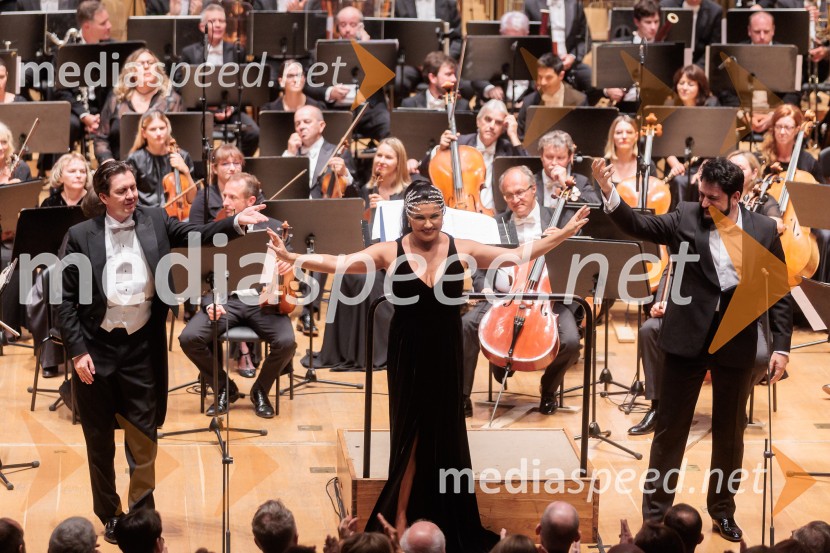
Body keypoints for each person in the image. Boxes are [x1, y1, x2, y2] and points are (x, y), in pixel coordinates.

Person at [267, 181, 590, 553]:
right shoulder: (388, 251)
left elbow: (518, 254)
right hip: (408, 352)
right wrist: (294, 259)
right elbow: (341, 264)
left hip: (446, 350)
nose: (427, 224)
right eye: (419, 217)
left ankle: (447, 516)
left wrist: (564, 234)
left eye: (434, 217)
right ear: (407, 216)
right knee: (411, 435)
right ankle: (401, 516)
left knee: (445, 431)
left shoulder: (461, 248)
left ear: (443, 215)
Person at [57, 160, 267, 543]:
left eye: (133, 187)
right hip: (96, 350)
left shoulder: (154, 219)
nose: (131, 195)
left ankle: (142, 518)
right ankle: (110, 514)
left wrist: (235, 223)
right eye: (121, 191)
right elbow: (64, 301)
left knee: (144, 437)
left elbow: (199, 233)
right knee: (99, 441)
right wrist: (77, 351)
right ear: (103, 197)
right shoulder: (79, 235)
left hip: (140, 347)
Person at [592, 156, 792, 540]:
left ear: (736, 196)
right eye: (701, 194)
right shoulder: (685, 215)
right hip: (687, 339)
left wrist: (781, 346)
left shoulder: (765, 230)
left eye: (712, 198)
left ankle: (722, 510)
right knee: (670, 432)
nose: (703, 202)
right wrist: (608, 192)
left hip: (736, 339)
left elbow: (778, 290)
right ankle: (655, 515)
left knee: (730, 434)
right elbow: (640, 224)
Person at [461, 166, 584, 417]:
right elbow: (476, 262)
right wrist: (483, 286)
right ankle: (462, 395)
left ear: (534, 189)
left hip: (547, 299)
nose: (515, 200)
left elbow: (579, 256)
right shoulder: (495, 224)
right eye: (508, 195)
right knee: (466, 326)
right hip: (501, 298)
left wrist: (562, 241)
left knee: (571, 342)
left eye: (520, 192)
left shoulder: (557, 218)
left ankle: (548, 389)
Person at [179, 172, 296, 418]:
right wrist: (209, 303)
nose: (225, 202)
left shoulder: (274, 227)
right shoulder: (215, 228)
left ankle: (261, 391)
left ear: (250, 201)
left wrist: (288, 266)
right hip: (225, 300)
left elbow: (292, 268)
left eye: (232, 197)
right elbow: (204, 275)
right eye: (224, 195)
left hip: (263, 301)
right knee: (189, 338)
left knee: (286, 343)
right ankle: (223, 388)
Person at [317, 137, 410, 370]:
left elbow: (410, 230)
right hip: (369, 254)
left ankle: (368, 354)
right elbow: (352, 202)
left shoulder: (407, 193)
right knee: (344, 272)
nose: (381, 161)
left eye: (388, 157)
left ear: (399, 163)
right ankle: (343, 350)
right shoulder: (368, 190)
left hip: (397, 261)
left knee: (364, 277)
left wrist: (388, 210)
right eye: (379, 155)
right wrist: (344, 173)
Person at [282, 104, 358, 336]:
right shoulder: (290, 152)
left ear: (321, 125)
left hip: (323, 218)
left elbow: (353, 190)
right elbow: (281, 187)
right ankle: (281, 304)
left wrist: (343, 172)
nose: (301, 127)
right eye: (297, 123)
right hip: (293, 216)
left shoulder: (337, 152)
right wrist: (287, 155)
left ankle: (308, 309)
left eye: (306, 122)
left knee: (318, 246)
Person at [179, 3, 260, 157]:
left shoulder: (237, 51)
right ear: (202, 27)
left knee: (253, 133)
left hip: (231, 110)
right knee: (190, 136)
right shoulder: (189, 53)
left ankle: (234, 165)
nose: (218, 25)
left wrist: (232, 108)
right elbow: (180, 85)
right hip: (200, 111)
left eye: (221, 21)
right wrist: (209, 110)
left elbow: (246, 85)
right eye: (212, 21)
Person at [426, 99, 527, 212]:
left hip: (495, 215)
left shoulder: (508, 149)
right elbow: (426, 171)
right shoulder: (458, 143)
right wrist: (441, 150)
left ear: (503, 128)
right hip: (460, 209)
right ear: (478, 121)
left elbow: (529, 173)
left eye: (498, 122)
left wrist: (513, 135)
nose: (492, 126)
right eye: (488, 119)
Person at [94, 48, 183, 163]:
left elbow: (180, 138)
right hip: (120, 167)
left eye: (151, 63)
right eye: (140, 64)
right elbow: (101, 139)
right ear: (131, 71)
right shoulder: (116, 99)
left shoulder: (171, 99)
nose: (146, 66)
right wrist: (109, 162)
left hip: (161, 166)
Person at [664, 65, 718, 206]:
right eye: (681, 83)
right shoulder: (669, 106)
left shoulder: (710, 106)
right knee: (679, 180)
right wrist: (675, 164)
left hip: (704, 163)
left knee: (694, 182)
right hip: (679, 165)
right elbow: (664, 141)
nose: (684, 87)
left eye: (690, 84)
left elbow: (714, 145)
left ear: (700, 86)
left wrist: (702, 170)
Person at [125, 110, 196, 210]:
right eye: (153, 129)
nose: (158, 133)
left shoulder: (182, 156)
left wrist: (186, 171)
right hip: (145, 214)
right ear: (144, 133)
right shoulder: (135, 159)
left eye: (162, 128)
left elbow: (192, 199)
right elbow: (129, 194)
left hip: (175, 215)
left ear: (167, 129)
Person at [602, 0, 661, 111]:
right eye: (648, 22)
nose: (653, 27)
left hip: (655, 107)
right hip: (624, 106)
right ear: (636, 22)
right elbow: (604, 80)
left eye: (656, 21)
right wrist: (608, 90)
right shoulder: (619, 46)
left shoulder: (665, 50)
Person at [516, 53, 588, 140]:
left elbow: (584, 135)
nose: (543, 82)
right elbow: (522, 137)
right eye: (540, 77)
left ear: (561, 75)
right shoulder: (528, 102)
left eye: (548, 77)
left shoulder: (579, 100)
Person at [534, 130, 600, 210]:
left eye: (560, 158)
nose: (554, 163)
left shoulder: (581, 182)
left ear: (570, 157)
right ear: (541, 156)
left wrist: (567, 185)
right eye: (549, 157)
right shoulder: (530, 182)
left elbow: (595, 209)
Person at [658, 0, 722, 66]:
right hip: (670, 63)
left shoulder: (715, 11)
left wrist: (696, 69)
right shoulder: (666, 6)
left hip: (700, 67)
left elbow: (714, 47)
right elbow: (659, 43)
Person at [401, 52, 470, 111]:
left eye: (454, 74)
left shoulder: (463, 106)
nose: (454, 79)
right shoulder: (410, 105)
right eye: (448, 74)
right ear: (432, 78)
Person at [261, 60, 325, 113]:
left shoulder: (317, 108)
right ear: (281, 82)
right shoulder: (269, 110)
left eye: (299, 75)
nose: (295, 80)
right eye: (290, 76)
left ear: (304, 79)